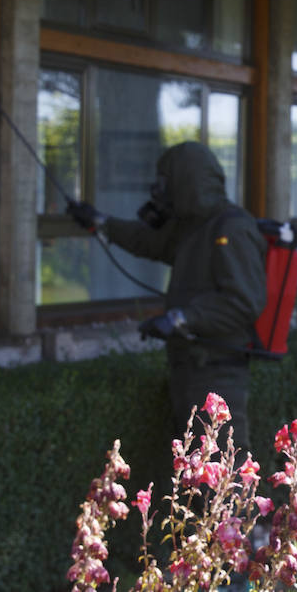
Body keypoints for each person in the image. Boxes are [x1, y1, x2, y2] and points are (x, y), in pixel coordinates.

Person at [67, 140, 266, 446]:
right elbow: (147, 240)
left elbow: (243, 302)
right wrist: (100, 223)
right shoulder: (193, 228)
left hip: (218, 371)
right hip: (188, 368)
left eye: (165, 183)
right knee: (192, 476)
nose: (159, 192)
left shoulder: (231, 228)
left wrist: (180, 319)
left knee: (223, 476)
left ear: (186, 182)